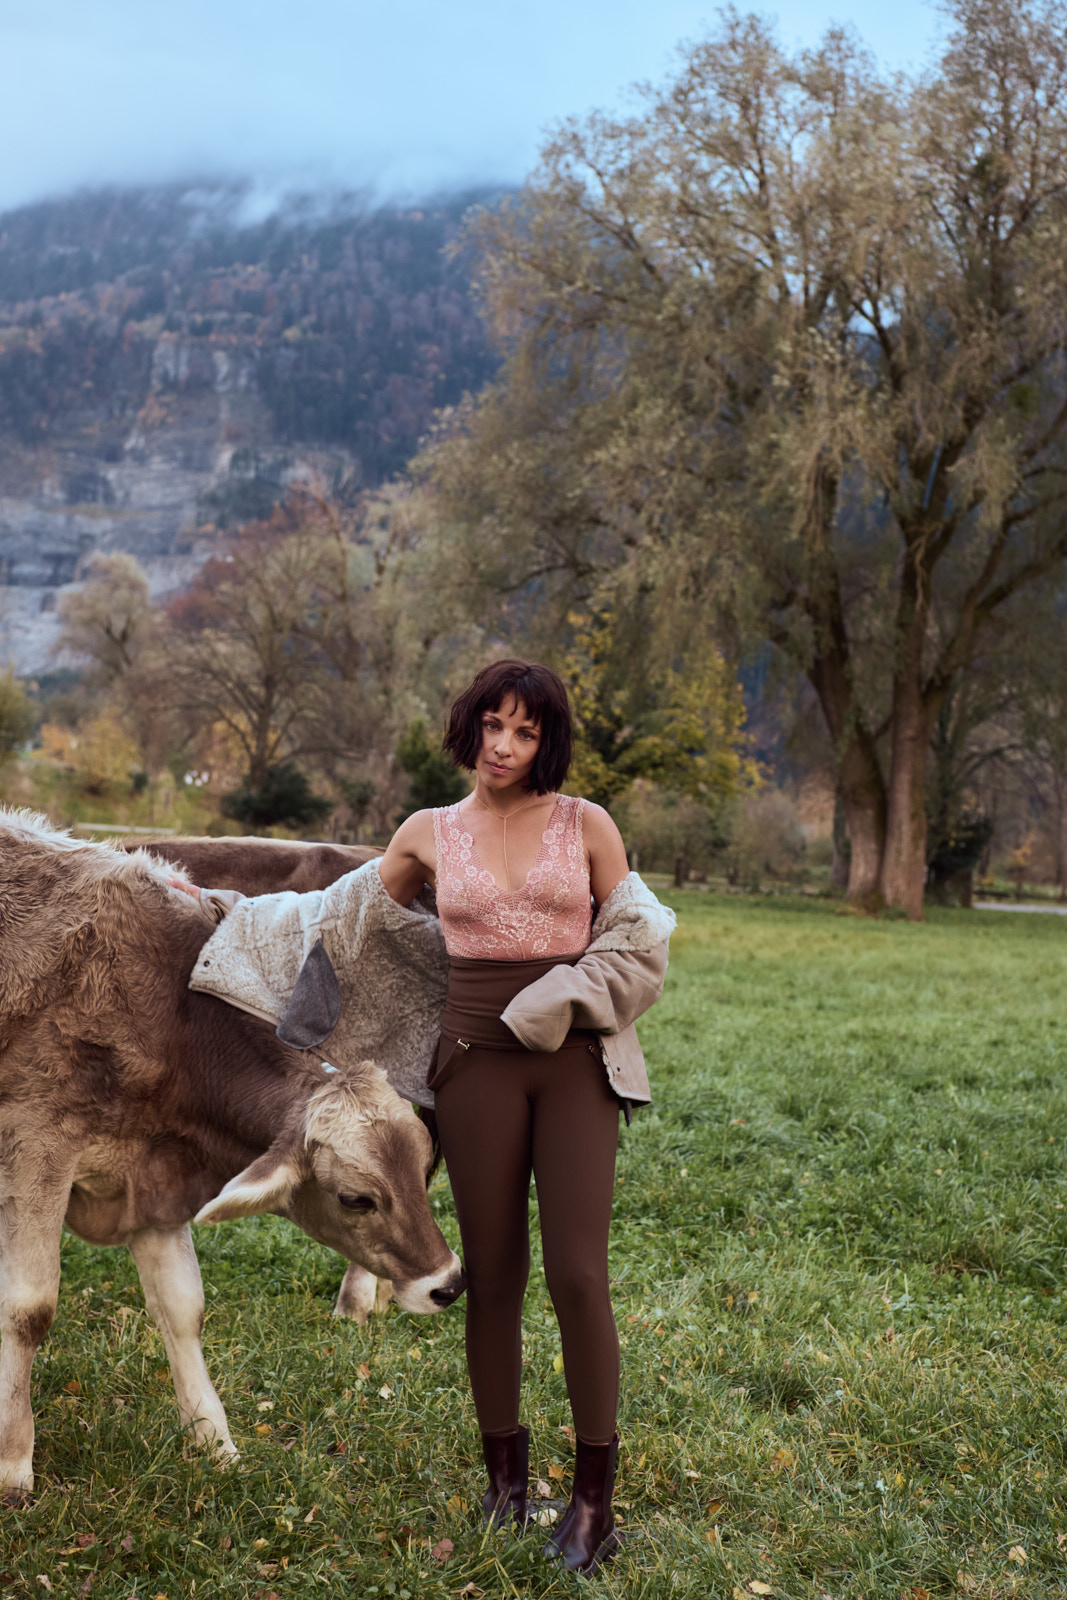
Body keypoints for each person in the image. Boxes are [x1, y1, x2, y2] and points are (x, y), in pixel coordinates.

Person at [377, 658, 673, 1575]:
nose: (504, 746)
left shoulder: (587, 825)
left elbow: (638, 936)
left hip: (574, 1062)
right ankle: (504, 1486)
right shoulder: (424, 833)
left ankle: (593, 1505)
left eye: (526, 731)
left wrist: (565, 995)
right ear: (469, 726)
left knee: (578, 1275)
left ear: (547, 743)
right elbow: (353, 929)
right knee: (494, 1276)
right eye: (492, 725)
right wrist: (224, 911)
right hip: (474, 1066)